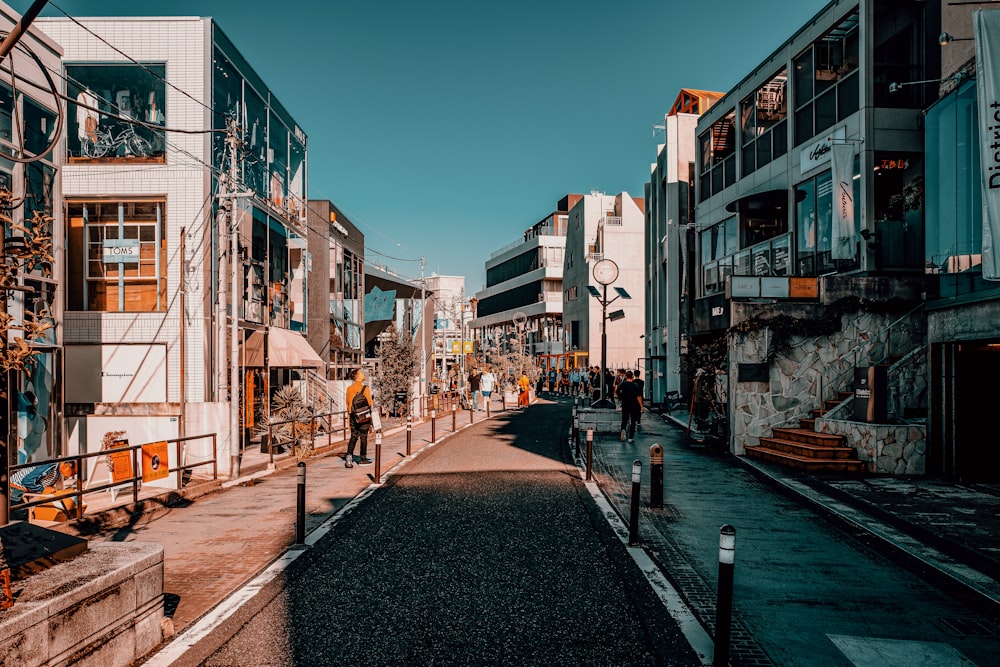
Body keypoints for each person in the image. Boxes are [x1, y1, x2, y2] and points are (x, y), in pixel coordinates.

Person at [345, 368, 374, 467]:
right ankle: (363, 459)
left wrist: (350, 418)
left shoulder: (349, 389)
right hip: (364, 416)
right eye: (361, 373)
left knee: (354, 436)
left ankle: (349, 457)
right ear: (357, 376)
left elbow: (348, 404)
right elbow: (370, 403)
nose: (363, 374)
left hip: (353, 416)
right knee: (363, 437)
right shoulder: (365, 388)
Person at [616, 370, 643, 443]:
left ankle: (623, 429)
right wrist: (641, 406)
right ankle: (631, 437)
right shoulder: (635, 385)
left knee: (624, 418)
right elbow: (638, 396)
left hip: (625, 404)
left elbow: (617, 390)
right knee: (633, 421)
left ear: (625, 376)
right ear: (632, 376)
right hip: (634, 405)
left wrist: (620, 397)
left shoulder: (622, 384)